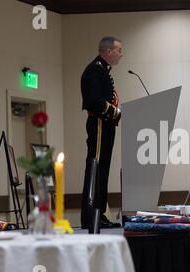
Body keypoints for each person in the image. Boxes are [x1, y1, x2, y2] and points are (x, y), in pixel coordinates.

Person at [80, 36, 123, 229]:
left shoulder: (102, 70)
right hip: (99, 123)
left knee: (103, 168)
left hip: (105, 124)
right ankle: (91, 215)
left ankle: (99, 213)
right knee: (96, 166)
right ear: (106, 51)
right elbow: (93, 101)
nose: (121, 54)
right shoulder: (94, 70)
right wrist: (116, 113)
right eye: (118, 50)